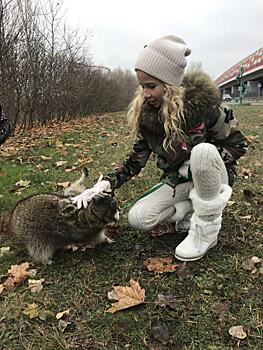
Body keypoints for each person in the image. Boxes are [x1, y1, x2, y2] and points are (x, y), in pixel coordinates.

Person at [72, 35, 247, 261]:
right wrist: (106, 183)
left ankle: (206, 230)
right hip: (180, 181)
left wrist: (195, 165)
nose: (145, 93)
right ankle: (190, 211)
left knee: (202, 153)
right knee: (139, 218)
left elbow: (238, 145)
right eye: (142, 86)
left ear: (170, 84)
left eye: (151, 86)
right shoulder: (148, 117)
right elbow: (135, 160)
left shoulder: (206, 108)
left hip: (214, 177)